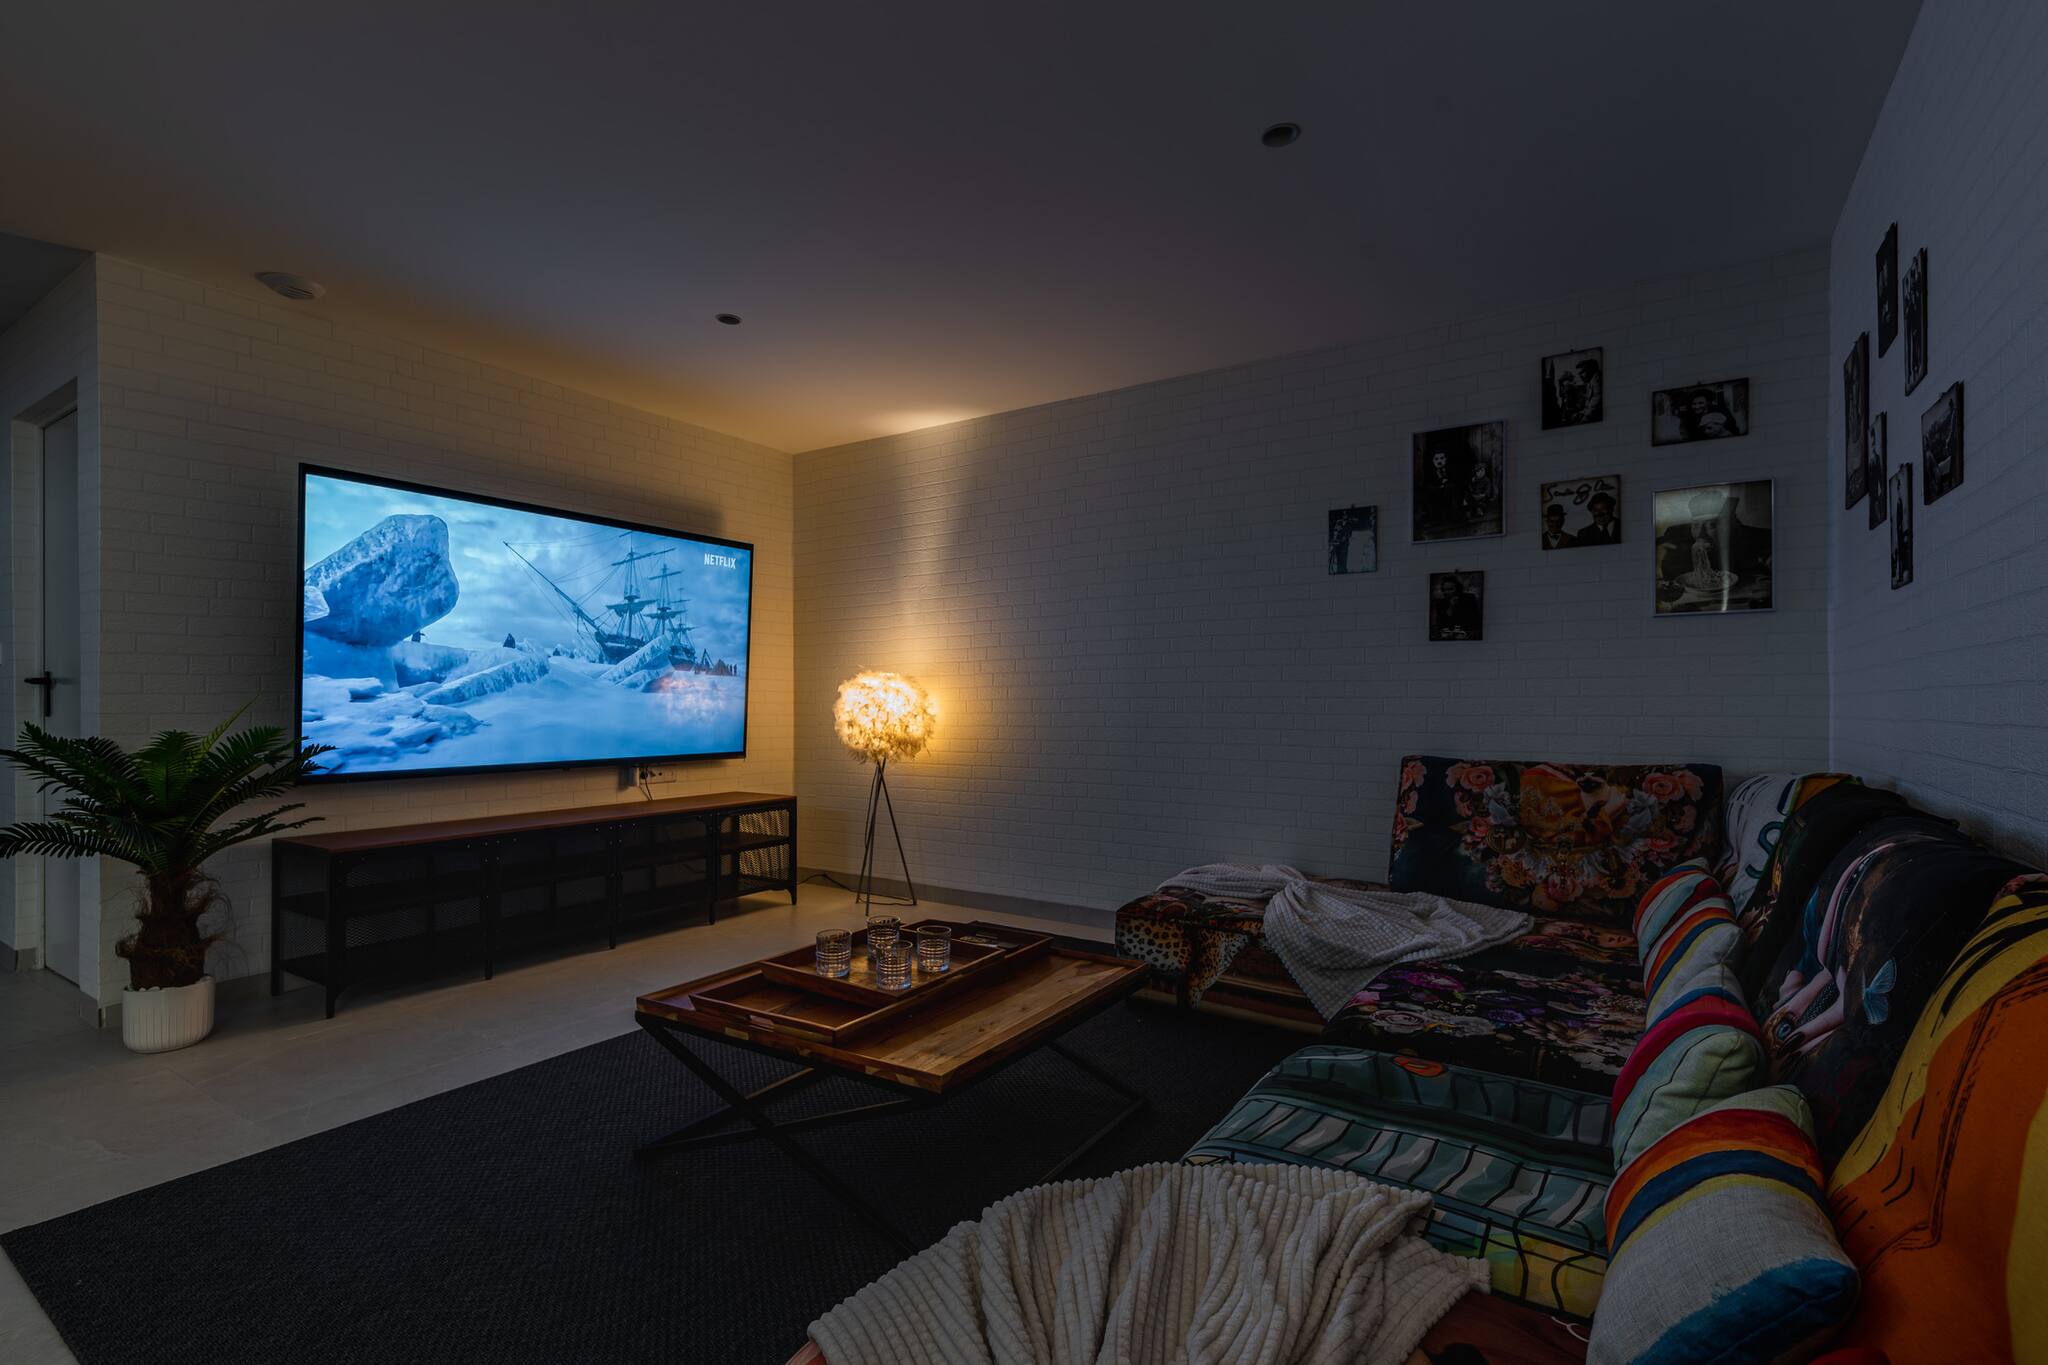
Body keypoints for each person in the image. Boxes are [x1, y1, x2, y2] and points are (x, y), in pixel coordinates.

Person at [1432, 576, 1481, 640]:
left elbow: (1473, 619)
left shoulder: (1469, 598)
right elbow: (1442, 623)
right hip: (1448, 634)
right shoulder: (1441, 603)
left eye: (1450, 589)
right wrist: (1451, 606)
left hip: (1467, 632)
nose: (1446, 592)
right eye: (1444, 590)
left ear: (1458, 589)